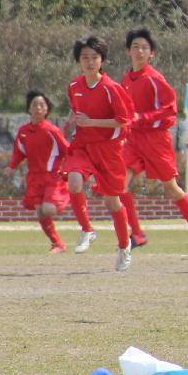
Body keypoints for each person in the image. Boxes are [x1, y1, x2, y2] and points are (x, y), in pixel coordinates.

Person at [119, 28, 188, 262]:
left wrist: (142, 118)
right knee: (119, 184)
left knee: (171, 189)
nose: (139, 51)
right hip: (133, 140)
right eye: (135, 46)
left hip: (156, 141)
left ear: (152, 54)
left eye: (144, 48)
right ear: (128, 51)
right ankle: (136, 234)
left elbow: (170, 111)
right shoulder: (126, 80)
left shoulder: (154, 79)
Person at [61, 35, 136, 272]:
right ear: (78, 61)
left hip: (109, 150)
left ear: (102, 60)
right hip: (83, 146)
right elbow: (77, 111)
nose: (90, 62)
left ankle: (124, 246)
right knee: (74, 182)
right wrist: (70, 122)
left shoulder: (112, 89)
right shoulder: (74, 86)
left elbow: (123, 122)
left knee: (112, 201)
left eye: (94, 57)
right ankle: (87, 230)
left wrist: (92, 121)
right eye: (85, 58)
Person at [9, 90, 71, 254]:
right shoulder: (23, 131)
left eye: (41, 105)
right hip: (34, 177)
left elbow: (67, 151)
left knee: (49, 209)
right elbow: (19, 152)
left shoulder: (52, 131)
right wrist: (11, 166)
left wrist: (69, 170)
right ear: (29, 109)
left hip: (52, 176)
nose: (38, 108)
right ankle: (58, 244)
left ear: (47, 109)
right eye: (34, 105)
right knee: (40, 213)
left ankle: (66, 193)